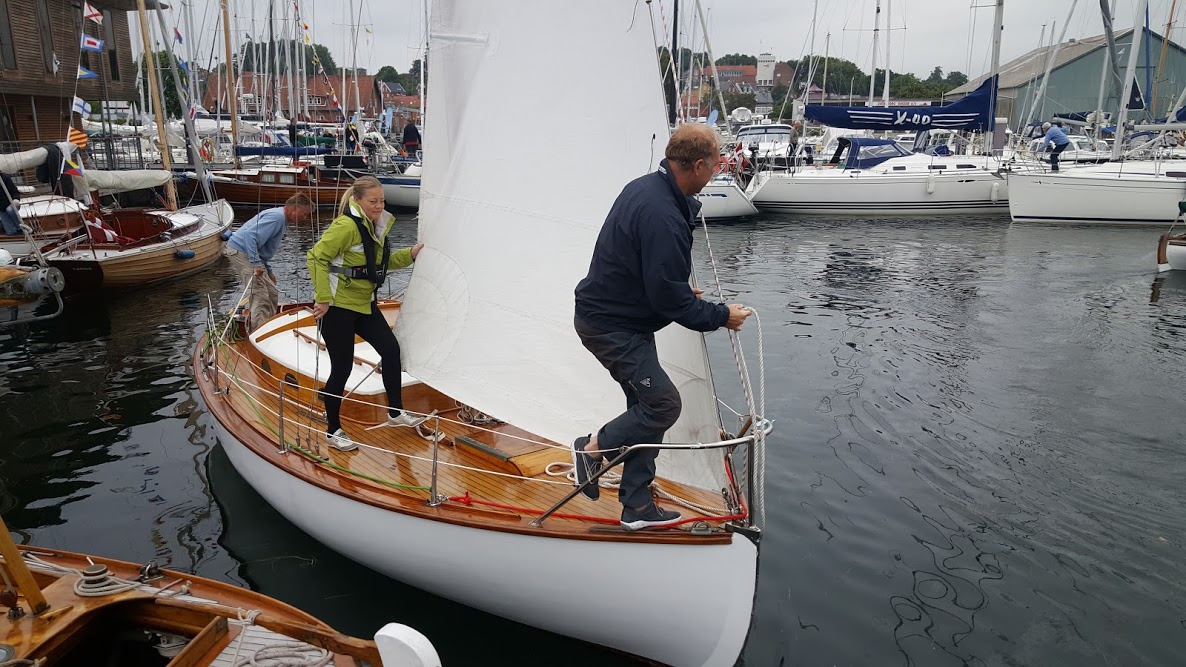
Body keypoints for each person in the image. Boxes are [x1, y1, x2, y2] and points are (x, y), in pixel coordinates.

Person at [571, 124, 751, 531]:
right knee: (663, 405)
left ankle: (636, 507)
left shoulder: (647, 187)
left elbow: (651, 274)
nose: (720, 169)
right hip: (611, 326)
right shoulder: (664, 214)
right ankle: (591, 450)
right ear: (700, 165)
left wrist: (680, 291)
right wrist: (724, 316)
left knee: (647, 410)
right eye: (718, 163)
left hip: (622, 318)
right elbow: (670, 301)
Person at [307, 176, 426, 451]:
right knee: (342, 368)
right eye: (373, 201)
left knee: (391, 350)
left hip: (363, 305)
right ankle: (333, 430)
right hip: (337, 309)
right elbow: (315, 257)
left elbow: (378, 266)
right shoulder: (346, 226)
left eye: (382, 200)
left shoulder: (374, 226)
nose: (378, 206)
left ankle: (395, 412)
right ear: (357, 201)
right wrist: (323, 299)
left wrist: (411, 253)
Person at [225, 193, 313, 330]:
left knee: (272, 291)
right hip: (241, 252)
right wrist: (256, 264)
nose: (304, 218)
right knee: (260, 294)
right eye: (304, 213)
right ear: (295, 208)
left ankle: (269, 327)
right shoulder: (277, 218)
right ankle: (258, 333)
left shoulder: (280, 218)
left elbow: (261, 247)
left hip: (249, 253)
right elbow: (250, 237)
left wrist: (268, 270)